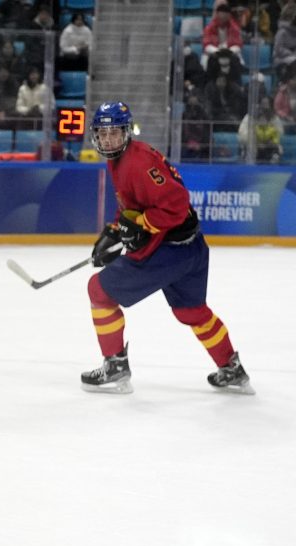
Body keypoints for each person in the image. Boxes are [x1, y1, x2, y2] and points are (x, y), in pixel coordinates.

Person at [82, 102, 253, 394]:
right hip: (191, 248)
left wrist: (143, 224)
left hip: (169, 250)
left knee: (99, 290)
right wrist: (114, 231)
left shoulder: (139, 162)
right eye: (103, 133)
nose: (108, 139)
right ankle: (231, 368)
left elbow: (177, 204)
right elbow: (131, 204)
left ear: (127, 132)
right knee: (191, 310)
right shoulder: (120, 160)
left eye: (115, 132)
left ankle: (115, 366)